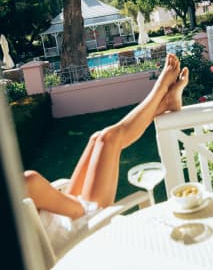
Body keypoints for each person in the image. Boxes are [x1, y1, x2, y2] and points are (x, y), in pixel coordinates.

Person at [23, 54, 189, 254]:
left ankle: (165, 102)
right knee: (108, 139)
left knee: (97, 138)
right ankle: (160, 92)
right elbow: (40, 190)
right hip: (73, 230)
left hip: (58, 216)